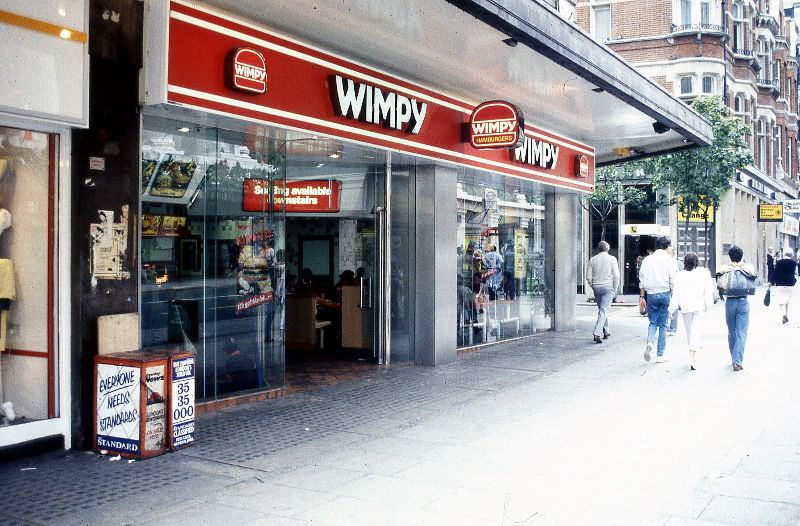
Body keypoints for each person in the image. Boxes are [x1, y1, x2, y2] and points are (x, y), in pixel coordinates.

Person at [668, 252, 715, 370]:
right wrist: (709, 305)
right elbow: (709, 290)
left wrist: (671, 309)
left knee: (690, 332)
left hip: (686, 307)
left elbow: (676, 294)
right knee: (696, 331)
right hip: (699, 307)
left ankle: (692, 354)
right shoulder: (704, 273)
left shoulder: (680, 275)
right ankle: (692, 356)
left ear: (685, 262)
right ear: (696, 262)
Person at [717, 245, 756, 371]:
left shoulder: (725, 268)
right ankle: (737, 360)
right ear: (742, 256)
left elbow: (719, 282)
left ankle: (733, 357)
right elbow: (753, 274)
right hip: (743, 301)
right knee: (741, 333)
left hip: (730, 302)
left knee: (731, 332)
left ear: (730, 256)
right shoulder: (747, 267)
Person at [638, 236, 676, 363]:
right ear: (666, 246)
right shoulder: (669, 260)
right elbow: (673, 280)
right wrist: (673, 295)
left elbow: (642, 280)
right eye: (670, 246)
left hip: (651, 295)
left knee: (653, 322)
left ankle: (649, 342)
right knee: (663, 325)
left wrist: (642, 297)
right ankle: (660, 355)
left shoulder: (647, 260)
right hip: (664, 293)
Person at [586, 240, 620, 344]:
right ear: (608, 248)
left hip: (596, 287)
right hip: (607, 287)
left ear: (598, 249)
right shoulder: (612, 259)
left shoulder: (593, 259)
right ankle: (597, 333)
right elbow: (616, 276)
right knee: (603, 310)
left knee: (602, 309)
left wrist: (593, 285)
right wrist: (614, 288)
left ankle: (606, 331)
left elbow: (588, 277)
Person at [769, 248, 797, 324]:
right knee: (787, 301)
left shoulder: (779, 262)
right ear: (791, 254)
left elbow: (775, 272)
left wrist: (771, 281)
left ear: (784, 254)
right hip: (790, 284)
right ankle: (786, 315)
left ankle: (784, 315)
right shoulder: (794, 263)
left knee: (781, 300)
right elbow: (795, 273)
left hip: (780, 283)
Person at [667, 245, 681, 337]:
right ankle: (666, 326)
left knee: (674, 308)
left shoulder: (676, 264)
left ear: (673, 254)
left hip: (674, 288)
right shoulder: (663, 262)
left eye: (669, 252)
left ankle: (673, 328)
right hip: (664, 288)